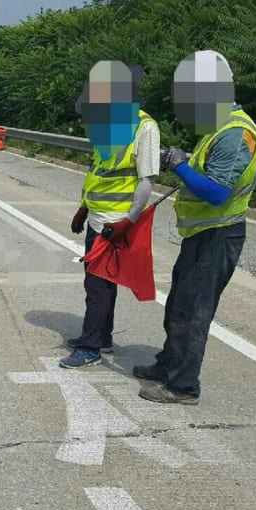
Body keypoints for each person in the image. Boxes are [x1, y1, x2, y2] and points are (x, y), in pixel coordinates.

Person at [135, 51, 256, 404]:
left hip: (219, 234)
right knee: (178, 303)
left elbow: (217, 191)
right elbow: (209, 172)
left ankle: (183, 386)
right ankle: (168, 364)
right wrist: (188, 161)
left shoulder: (236, 132)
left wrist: (179, 166)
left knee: (193, 312)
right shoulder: (219, 127)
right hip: (200, 235)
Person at [61, 61, 160, 369]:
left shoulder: (145, 127)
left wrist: (129, 220)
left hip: (115, 221)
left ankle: (90, 347)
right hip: (97, 216)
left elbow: (147, 180)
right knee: (101, 281)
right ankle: (101, 336)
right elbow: (98, 173)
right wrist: (83, 207)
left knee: (98, 285)